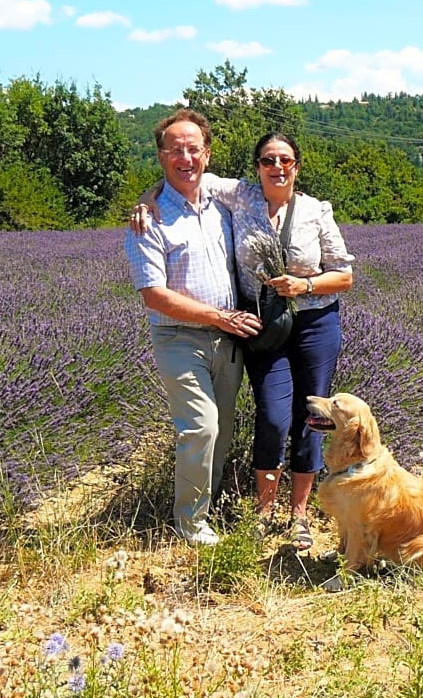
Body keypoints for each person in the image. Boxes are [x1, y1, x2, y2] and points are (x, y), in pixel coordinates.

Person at [131, 131, 354, 550]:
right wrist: (146, 201)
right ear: (257, 167)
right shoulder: (240, 196)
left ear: (297, 166)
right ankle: (263, 512)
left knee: (312, 415)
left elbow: (344, 274)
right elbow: (183, 174)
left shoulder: (315, 211)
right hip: (263, 327)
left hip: (314, 325)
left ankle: (299, 515)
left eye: (285, 160)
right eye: (268, 160)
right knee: (271, 416)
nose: (277, 168)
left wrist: (304, 286)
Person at [123, 109, 262, 546]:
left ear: (207, 153)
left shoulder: (222, 199)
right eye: (175, 150)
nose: (185, 157)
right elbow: (154, 295)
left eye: (193, 148)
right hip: (180, 337)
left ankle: (210, 504)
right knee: (200, 427)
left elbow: (274, 192)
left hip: (228, 338)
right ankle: (190, 523)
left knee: (219, 428)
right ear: (162, 157)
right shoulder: (149, 220)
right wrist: (220, 317)